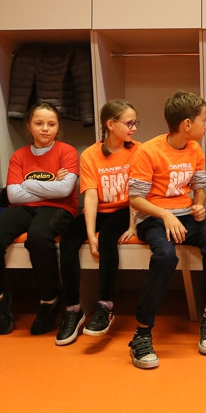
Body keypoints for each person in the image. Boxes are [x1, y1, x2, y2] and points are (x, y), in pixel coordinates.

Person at [127, 91, 206, 368]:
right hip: (153, 217)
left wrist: (199, 206)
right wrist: (164, 215)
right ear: (187, 124)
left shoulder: (195, 149)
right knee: (166, 256)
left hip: (185, 216)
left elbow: (198, 188)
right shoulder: (148, 151)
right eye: (203, 120)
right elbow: (135, 199)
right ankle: (142, 334)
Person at [0, 102, 78, 341]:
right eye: (39, 123)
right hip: (22, 208)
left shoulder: (67, 152)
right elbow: (13, 195)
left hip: (60, 208)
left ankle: (49, 300)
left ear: (58, 127)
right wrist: (52, 185)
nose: (45, 128)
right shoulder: (19, 156)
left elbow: (65, 190)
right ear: (29, 126)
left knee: (39, 237)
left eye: (51, 124)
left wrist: (28, 183)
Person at [57, 98, 140, 346]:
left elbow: (138, 193)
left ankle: (105, 306)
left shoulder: (138, 151)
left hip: (126, 210)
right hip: (100, 210)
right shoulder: (90, 154)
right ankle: (73, 309)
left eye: (135, 122)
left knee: (108, 238)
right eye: (129, 123)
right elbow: (91, 197)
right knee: (68, 240)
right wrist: (90, 233)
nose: (134, 128)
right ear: (111, 125)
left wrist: (133, 225)